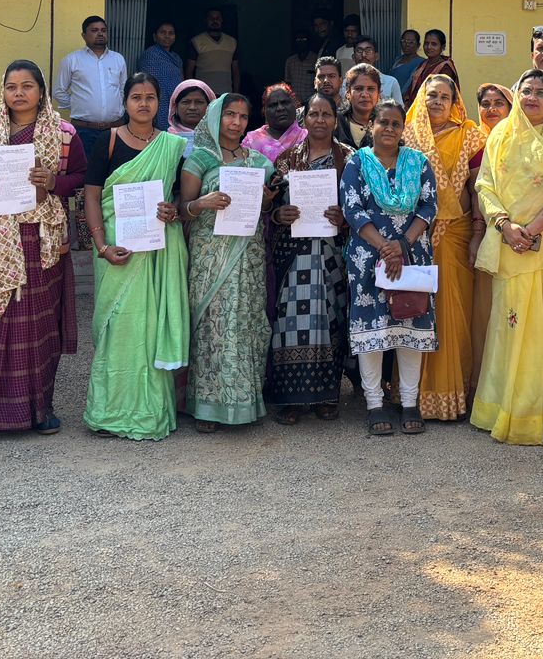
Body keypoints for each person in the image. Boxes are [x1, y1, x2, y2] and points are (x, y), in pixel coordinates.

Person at [0, 61, 85, 436]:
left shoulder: (63, 133)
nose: (19, 93)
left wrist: (54, 182)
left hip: (41, 239)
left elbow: (80, 174)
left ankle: (40, 410)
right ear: (3, 91)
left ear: (41, 91)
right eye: (12, 87)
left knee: (39, 325)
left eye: (27, 86)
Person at [472, 69, 543, 445]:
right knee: (507, 325)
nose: (532, 97)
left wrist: (532, 230)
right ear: (517, 95)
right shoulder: (501, 136)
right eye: (526, 91)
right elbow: (485, 184)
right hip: (509, 243)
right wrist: (505, 226)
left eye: (540, 92)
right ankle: (499, 410)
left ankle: (542, 415)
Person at [82, 72, 188, 440]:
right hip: (117, 248)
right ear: (125, 102)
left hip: (156, 251)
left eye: (150, 97)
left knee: (150, 327)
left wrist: (172, 210)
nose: (143, 103)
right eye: (136, 97)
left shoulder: (171, 146)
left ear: (160, 103)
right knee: (117, 327)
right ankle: (108, 411)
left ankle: (149, 411)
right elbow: (92, 196)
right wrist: (102, 246)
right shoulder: (108, 141)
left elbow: (178, 197)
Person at [178, 93, 276, 430]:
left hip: (249, 254)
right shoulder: (200, 160)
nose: (236, 122)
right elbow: (182, 210)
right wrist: (201, 203)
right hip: (211, 255)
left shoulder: (259, 162)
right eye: (229, 115)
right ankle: (207, 407)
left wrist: (266, 202)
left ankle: (245, 401)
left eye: (242, 117)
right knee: (212, 325)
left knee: (247, 322)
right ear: (216, 117)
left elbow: (265, 210)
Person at [341, 99, 439, 436]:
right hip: (368, 258)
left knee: (410, 323)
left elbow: (429, 205)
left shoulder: (418, 162)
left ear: (403, 128)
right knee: (372, 330)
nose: (389, 128)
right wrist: (384, 246)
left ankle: (409, 402)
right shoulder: (357, 162)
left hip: (412, 255)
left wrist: (402, 245)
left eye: (396, 123)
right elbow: (352, 209)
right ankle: (374, 404)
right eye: (383, 122)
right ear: (371, 125)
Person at [404, 75, 487, 420]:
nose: (437, 101)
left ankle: (456, 394)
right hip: (416, 235)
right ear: (421, 99)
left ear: (454, 102)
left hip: (457, 233)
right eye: (431, 95)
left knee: (455, 313)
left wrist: (478, 232)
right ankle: (413, 394)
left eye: (444, 96)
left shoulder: (469, 134)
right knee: (418, 308)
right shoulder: (408, 135)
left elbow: (478, 187)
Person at [266, 91, 352, 421]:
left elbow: (361, 204)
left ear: (335, 120)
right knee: (290, 321)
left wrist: (344, 218)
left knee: (331, 318)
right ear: (304, 119)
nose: (319, 120)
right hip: (294, 255)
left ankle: (325, 395)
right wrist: (279, 215)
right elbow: (269, 204)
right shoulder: (287, 159)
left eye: (326, 114)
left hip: (332, 255)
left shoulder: (349, 159)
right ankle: (289, 398)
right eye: (314, 114)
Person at [468, 82, 514, 394]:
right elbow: (475, 194)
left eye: (499, 103)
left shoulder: (522, 140)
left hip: (520, 235)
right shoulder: (475, 143)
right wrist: (476, 234)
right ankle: (485, 391)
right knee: (487, 313)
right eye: (486, 103)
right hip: (486, 234)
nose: (492, 109)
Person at [54, 15, 128, 159]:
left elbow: (123, 90)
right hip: (84, 130)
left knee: (115, 168)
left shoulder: (118, 59)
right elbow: (59, 91)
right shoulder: (72, 60)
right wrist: (79, 105)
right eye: (94, 30)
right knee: (86, 169)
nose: (100, 33)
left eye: (103, 30)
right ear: (84, 35)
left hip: (115, 128)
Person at [136, 22, 184, 130]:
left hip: (174, 103)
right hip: (158, 103)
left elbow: (182, 81)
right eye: (163, 32)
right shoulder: (149, 56)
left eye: (171, 33)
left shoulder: (176, 58)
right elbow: (147, 83)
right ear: (155, 36)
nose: (167, 36)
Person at [243, 84, 306, 163]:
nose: (280, 108)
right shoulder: (251, 141)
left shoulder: (306, 138)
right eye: (273, 105)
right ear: (264, 111)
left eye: (285, 103)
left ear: (295, 105)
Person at [186, 7, 240, 96]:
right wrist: (192, 93)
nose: (215, 20)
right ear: (206, 20)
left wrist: (236, 93)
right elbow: (189, 71)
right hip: (203, 94)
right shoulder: (196, 41)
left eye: (217, 18)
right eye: (211, 18)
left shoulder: (232, 42)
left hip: (226, 93)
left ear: (222, 20)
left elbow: (236, 70)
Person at [404, 29, 461, 106]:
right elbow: (411, 89)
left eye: (434, 44)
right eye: (426, 43)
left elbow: (442, 94)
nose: (429, 47)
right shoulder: (423, 64)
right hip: (416, 108)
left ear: (442, 47)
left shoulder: (446, 68)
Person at [342, 37, 404, 104]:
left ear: (376, 56)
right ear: (353, 57)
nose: (363, 55)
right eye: (359, 51)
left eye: (368, 51)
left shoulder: (391, 82)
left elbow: (399, 109)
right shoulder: (346, 82)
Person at [337, 64, 382, 149]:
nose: (365, 94)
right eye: (358, 89)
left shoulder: (385, 124)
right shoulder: (336, 122)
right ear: (348, 93)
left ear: (379, 93)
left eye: (371, 89)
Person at [165, 78, 214, 151]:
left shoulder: (219, 139)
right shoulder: (165, 141)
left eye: (199, 102)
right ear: (175, 107)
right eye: (186, 102)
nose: (192, 107)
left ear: (210, 106)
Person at [283, 31, 319, 105]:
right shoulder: (290, 61)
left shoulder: (316, 60)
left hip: (311, 102)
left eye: (304, 39)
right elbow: (287, 83)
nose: (301, 42)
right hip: (294, 103)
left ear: (309, 41)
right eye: (298, 39)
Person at [389, 29, 425, 100]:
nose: (407, 45)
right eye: (404, 41)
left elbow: (410, 85)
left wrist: (399, 98)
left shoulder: (421, 62)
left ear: (418, 45)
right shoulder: (397, 59)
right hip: (391, 98)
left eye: (411, 42)